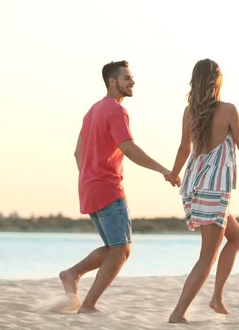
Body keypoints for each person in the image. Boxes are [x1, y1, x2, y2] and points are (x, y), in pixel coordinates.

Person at [59, 60, 176, 314]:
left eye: (131, 77)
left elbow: (78, 153)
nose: (132, 82)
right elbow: (128, 148)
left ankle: (72, 274)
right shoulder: (115, 110)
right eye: (126, 78)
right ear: (112, 82)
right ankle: (87, 303)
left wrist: (89, 177)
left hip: (89, 188)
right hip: (108, 189)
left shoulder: (92, 111)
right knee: (121, 250)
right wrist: (163, 170)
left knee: (115, 248)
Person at [166, 59, 239, 324]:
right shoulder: (227, 110)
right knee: (207, 256)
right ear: (217, 80)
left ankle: (217, 297)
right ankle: (178, 314)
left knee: (236, 237)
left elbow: (183, 149)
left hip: (198, 184)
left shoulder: (189, 112)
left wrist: (175, 173)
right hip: (214, 188)